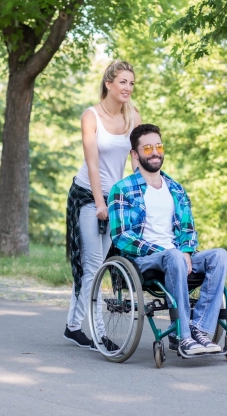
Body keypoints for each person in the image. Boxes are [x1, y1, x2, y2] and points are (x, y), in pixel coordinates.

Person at [108, 124, 227, 355]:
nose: (155, 152)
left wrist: (185, 250)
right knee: (172, 255)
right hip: (142, 260)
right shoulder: (122, 189)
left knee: (220, 256)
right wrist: (163, 251)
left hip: (178, 255)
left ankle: (199, 328)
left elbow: (188, 229)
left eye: (158, 146)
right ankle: (182, 336)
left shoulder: (176, 189)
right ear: (135, 154)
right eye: (147, 148)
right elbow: (121, 237)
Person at [64, 60, 141, 350]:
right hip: (87, 194)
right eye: (123, 82)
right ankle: (98, 334)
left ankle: (73, 326)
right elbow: (93, 163)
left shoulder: (133, 116)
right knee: (94, 266)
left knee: (95, 265)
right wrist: (98, 202)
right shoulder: (91, 116)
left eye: (131, 83)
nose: (128, 88)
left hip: (115, 199)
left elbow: (135, 161)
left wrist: (141, 192)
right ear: (109, 83)